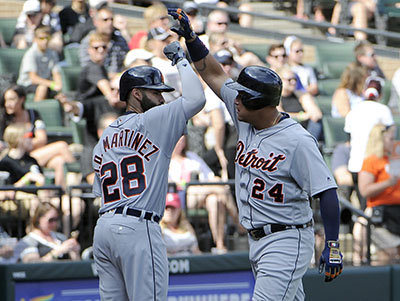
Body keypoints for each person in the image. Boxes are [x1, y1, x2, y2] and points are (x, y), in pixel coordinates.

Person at [168, 8, 343, 299]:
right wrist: (191, 38)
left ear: (261, 104)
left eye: (242, 99)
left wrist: (333, 245)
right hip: (259, 240)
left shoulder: (297, 140)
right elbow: (212, 72)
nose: (235, 101)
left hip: (286, 238)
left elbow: (326, 192)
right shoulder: (245, 115)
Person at [91, 41, 205, 300]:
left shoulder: (105, 137)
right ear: (137, 94)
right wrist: (181, 59)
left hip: (104, 228)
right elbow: (197, 98)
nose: (162, 98)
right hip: (137, 227)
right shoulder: (154, 119)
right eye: (155, 93)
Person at [169, 135, 241, 253]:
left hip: (202, 195)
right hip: (182, 197)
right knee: (218, 188)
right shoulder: (167, 161)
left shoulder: (192, 157)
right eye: (177, 140)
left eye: (182, 140)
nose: (180, 143)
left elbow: (209, 176)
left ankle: (219, 245)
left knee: (214, 200)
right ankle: (237, 220)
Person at [344, 77, 394, 210]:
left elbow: (348, 140)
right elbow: (389, 137)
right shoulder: (384, 110)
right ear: (381, 95)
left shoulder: (353, 111)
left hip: (355, 164)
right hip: (372, 166)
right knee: (369, 209)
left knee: (363, 208)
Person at [354, 124, 400, 265]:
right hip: (381, 213)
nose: (394, 142)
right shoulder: (371, 161)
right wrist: (388, 183)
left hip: (397, 212)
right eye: (390, 139)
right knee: (388, 253)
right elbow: (365, 190)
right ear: (381, 140)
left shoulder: (394, 159)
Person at [79, 5, 129, 77]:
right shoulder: (88, 41)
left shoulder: (120, 40)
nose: (110, 23)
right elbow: (87, 68)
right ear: (96, 22)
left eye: (111, 19)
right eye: (105, 20)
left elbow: (126, 61)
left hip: (119, 80)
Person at [276, 65, 323, 141]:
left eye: (295, 79)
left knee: (316, 123)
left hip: (305, 131)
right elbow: (279, 117)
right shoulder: (275, 97)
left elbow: (317, 115)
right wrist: (301, 116)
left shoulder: (301, 95)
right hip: (286, 132)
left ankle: (309, 144)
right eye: (289, 80)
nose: (293, 82)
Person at [17, 25, 63, 102]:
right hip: (26, 85)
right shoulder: (31, 54)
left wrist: (59, 85)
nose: (45, 41)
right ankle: (37, 111)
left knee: (61, 93)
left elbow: (56, 73)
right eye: (41, 38)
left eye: (47, 38)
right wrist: (52, 84)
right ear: (35, 39)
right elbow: (33, 78)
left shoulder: (52, 53)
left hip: (46, 82)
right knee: (42, 88)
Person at [160, 192, 201, 256]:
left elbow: (196, 251)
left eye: (173, 208)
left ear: (179, 210)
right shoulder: (158, 229)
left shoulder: (187, 227)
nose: (169, 211)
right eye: (166, 208)